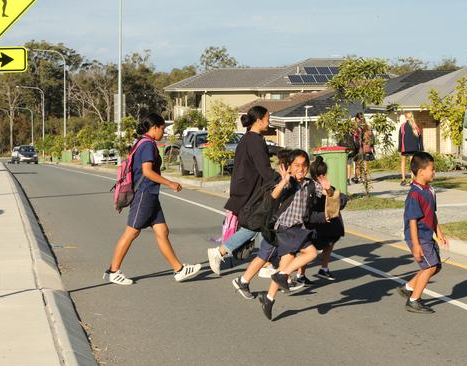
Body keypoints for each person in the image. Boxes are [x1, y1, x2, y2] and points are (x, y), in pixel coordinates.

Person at [104, 113, 201, 285]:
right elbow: (147, 171)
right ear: (154, 127)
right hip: (144, 193)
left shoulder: (141, 142)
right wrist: (170, 183)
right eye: (162, 128)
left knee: (162, 231)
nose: (163, 132)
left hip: (150, 194)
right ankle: (113, 271)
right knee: (132, 232)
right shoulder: (148, 144)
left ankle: (179, 269)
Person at [250, 150, 333, 320]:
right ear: (289, 167)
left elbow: (327, 194)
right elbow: (273, 196)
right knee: (310, 253)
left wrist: (328, 189)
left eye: (304, 165)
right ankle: (282, 276)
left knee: (285, 265)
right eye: (296, 165)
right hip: (286, 228)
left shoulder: (310, 184)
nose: (300, 169)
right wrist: (284, 181)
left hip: (297, 229)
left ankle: (269, 298)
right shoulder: (289, 183)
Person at [207, 106, 276, 275]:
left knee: (263, 225)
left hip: (246, 189)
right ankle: (220, 251)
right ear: (259, 120)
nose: (269, 121)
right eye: (267, 118)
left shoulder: (248, 138)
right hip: (251, 191)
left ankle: (265, 263)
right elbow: (264, 168)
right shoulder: (255, 141)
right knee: (255, 226)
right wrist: (281, 180)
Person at [397, 152, 448, 314]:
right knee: (430, 266)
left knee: (436, 266)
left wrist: (439, 233)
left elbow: (432, 213)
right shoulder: (414, 194)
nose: (434, 172)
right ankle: (413, 300)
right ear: (421, 172)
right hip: (418, 236)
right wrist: (416, 245)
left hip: (427, 235)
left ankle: (409, 287)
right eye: (432, 169)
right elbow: (412, 220)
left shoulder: (430, 191)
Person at [296, 156, 348, 285]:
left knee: (314, 247)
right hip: (322, 224)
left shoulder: (307, 186)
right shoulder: (321, 188)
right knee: (325, 244)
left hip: (315, 224)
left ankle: (302, 274)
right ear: (324, 174)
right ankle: (321, 268)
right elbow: (340, 202)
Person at [398, 111, 424, 186]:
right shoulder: (415, 126)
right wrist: (421, 148)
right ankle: (412, 180)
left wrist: (400, 148)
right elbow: (420, 138)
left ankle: (403, 180)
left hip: (405, 148)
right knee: (412, 164)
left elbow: (400, 137)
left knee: (403, 162)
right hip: (414, 148)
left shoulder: (403, 126)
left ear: (406, 117)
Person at [348, 113, 364, 184]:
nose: (360, 120)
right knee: (350, 162)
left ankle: (357, 177)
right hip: (353, 146)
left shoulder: (361, 127)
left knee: (358, 162)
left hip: (359, 146)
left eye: (361, 119)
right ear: (356, 119)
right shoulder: (352, 127)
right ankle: (349, 178)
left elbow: (362, 137)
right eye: (359, 119)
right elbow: (351, 135)